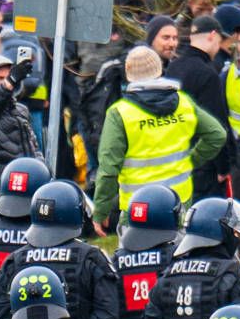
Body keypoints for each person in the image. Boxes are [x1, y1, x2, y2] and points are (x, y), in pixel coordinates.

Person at [90, 45, 229, 231]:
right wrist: (191, 161)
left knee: (134, 257)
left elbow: (108, 168)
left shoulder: (120, 113)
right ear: (159, 70)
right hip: (178, 202)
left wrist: (101, 210)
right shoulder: (183, 102)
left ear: (128, 73)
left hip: (137, 206)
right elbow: (217, 135)